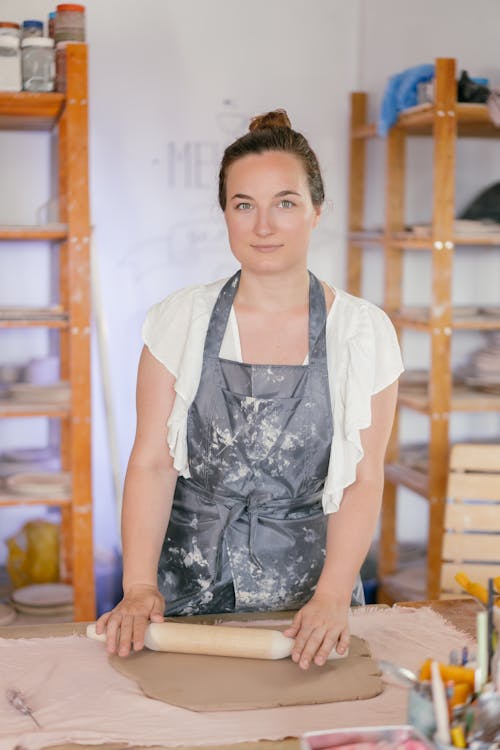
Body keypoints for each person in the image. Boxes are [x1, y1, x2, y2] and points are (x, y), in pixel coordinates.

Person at [96, 109, 403, 670]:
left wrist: (333, 595)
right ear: (226, 214)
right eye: (245, 205)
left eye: (285, 202)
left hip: (310, 595)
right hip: (186, 586)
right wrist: (139, 586)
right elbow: (151, 464)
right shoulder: (179, 320)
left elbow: (364, 478)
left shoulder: (362, 332)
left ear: (316, 211)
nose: (264, 226)